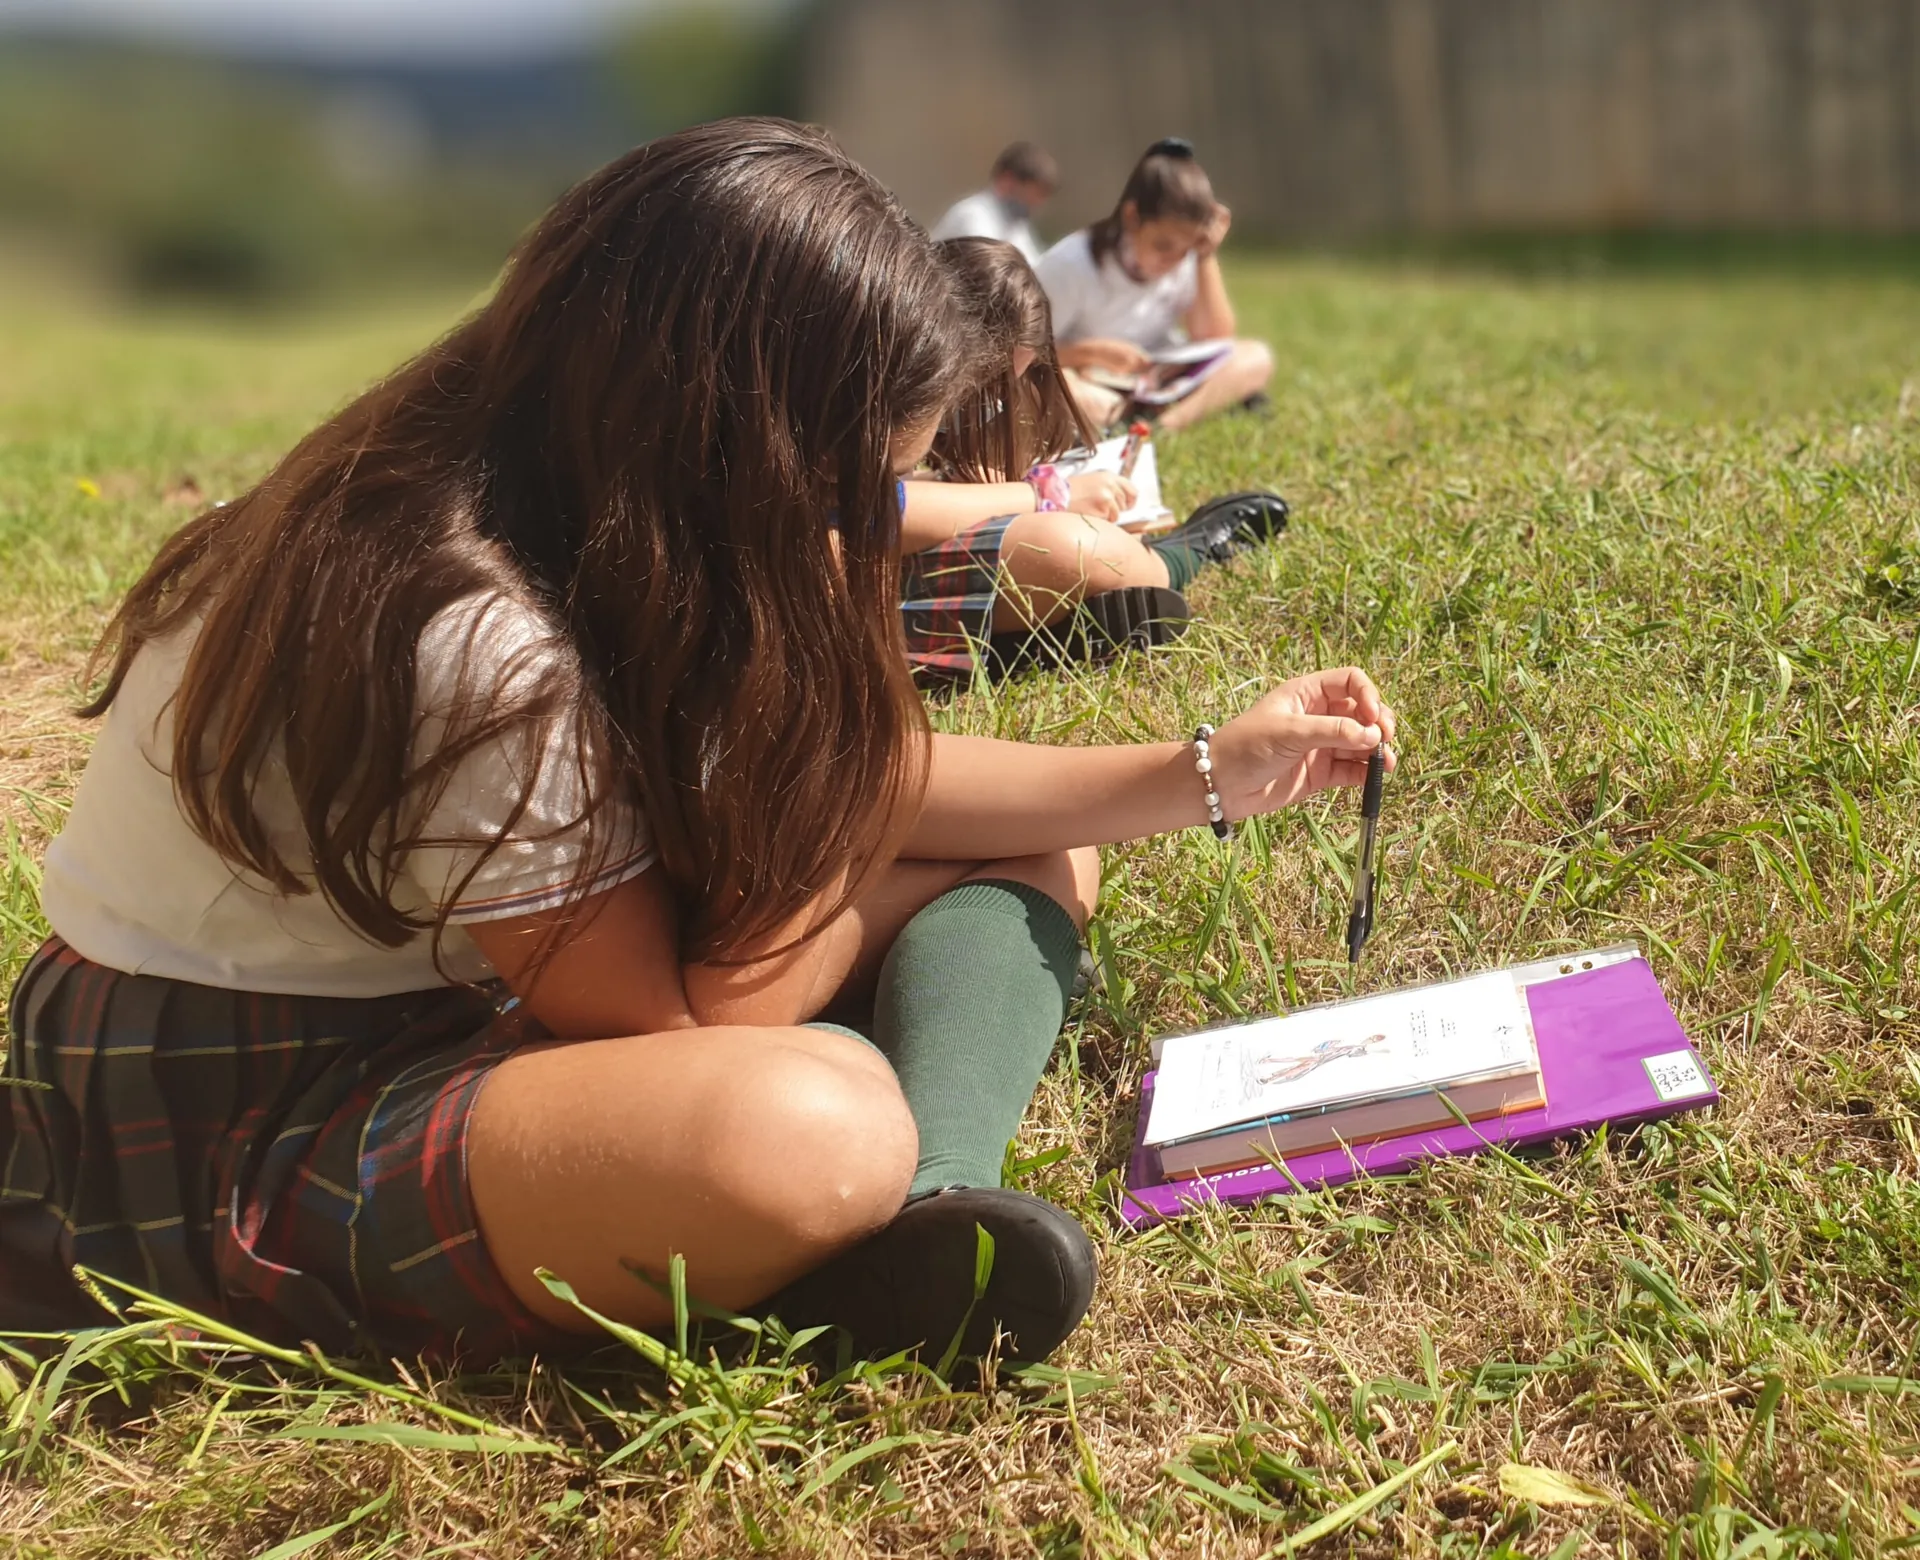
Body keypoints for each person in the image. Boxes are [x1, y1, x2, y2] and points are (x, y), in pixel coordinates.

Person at [0, 119, 1395, 1373]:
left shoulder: (559, 501)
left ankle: (933, 1210)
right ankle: (846, 1211)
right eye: (850, 485)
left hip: (440, 985)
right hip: (243, 1101)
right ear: (726, 443)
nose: (867, 526)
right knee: (807, 1127)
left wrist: (1205, 770)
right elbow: (680, 1023)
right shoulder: (474, 632)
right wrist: (821, 848)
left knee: (1047, 849)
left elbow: (868, 792)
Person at [901, 237, 1292, 682]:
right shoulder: (877, 397)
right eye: (981, 387)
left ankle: (1020, 638)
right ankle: (1178, 558)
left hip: (884, 585)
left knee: (1066, 543)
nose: (979, 407)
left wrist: (977, 492)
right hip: (865, 599)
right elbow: (878, 511)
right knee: (1076, 548)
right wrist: (1046, 497)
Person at [1037, 138, 1275, 433]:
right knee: (1055, 389)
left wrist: (1204, 256)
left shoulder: (1188, 259)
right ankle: (1145, 414)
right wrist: (1091, 352)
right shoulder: (1070, 264)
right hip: (1095, 380)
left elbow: (1216, 339)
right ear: (1131, 217)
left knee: (1256, 356)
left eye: (1186, 249)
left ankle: (1165, 424)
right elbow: (1022, 354)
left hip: (1160, 377)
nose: (1173, 260)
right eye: (1163, 246)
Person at [928, 141, 1058, 265]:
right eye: (1031, 196)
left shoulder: (1017, 227)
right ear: (1007, 180)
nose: (1035, 205)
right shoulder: (973, 218)